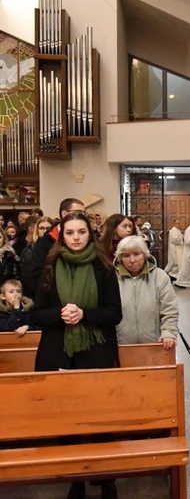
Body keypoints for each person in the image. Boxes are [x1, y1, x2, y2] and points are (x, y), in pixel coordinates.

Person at [30, 212, 122, 499]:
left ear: (89, 234)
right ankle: (75, 480)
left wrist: (85, 314)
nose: (76, 238)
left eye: (81, 232)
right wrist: (60, 314)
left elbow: (115, 314)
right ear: (62, 236)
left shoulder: (103, 268)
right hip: (59, 353)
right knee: (67, 419)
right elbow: (37, 314)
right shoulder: (49, 268)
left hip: (96, 352)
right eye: (70, 233)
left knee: (100, 418)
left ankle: (106, 479)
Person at [114, 235, 178, 349]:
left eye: (137, 254)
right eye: (126, 256)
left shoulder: (159, 276)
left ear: (145, 254)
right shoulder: (112, 279)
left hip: (155, 345)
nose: (132, 260)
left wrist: (168, 333)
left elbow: (169, 310)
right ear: (120, 258)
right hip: (121, 347)